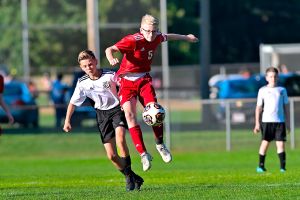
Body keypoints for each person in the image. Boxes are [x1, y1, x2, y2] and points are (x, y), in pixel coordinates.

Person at [105, 14, 199, 171]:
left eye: (154, 31)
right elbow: (111, 49)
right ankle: (143, 154)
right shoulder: (132, 40)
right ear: (141, 29)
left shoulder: (156, 37)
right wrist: (110, 57)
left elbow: (168, 36)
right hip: (126, 81)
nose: (150, 34)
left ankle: (160, 145)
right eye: (147, 31)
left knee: (155, 111)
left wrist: (186, 37)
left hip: (143, 80)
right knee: (129, 115)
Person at [63, 50, 143, 191]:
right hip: (101, 115)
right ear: (81, 68)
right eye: (85, 66)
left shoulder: (110, 75)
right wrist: (67, 121)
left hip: (118, 109)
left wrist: (128, 103)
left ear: (96, 61)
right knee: (111, 156)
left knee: (120, 139)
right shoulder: (82, 83)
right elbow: (73, 103)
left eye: (90, 64)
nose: (89, 68)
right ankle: (131, 175)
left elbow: (126, 87)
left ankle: (129, 179)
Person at [253, 66, 289, 173]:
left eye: (275, 76)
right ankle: (261, 166)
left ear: (278, 77)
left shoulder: (282, 90)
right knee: (265, 143)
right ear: (267, 78)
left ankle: (282, 168)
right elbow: (258, 108)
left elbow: (286, 107)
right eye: (271, 76)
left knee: (281, 144)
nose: (273, 78)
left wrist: (288, 123)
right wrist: (257, 124)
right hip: (266, 122)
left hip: (280, 122)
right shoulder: (262, 90)